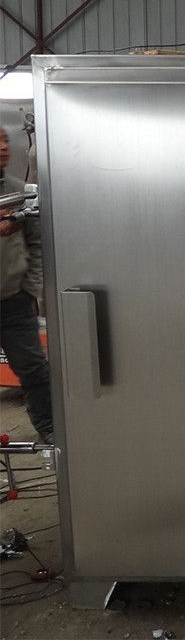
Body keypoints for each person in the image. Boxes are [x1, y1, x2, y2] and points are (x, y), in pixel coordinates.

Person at [0, 125, 53, 443]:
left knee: (34, 369)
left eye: (5, 140)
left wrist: (30, 288)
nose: (3, 147)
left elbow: (36, 243)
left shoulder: (19, 192)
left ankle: (49, 428)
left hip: (14, 302)